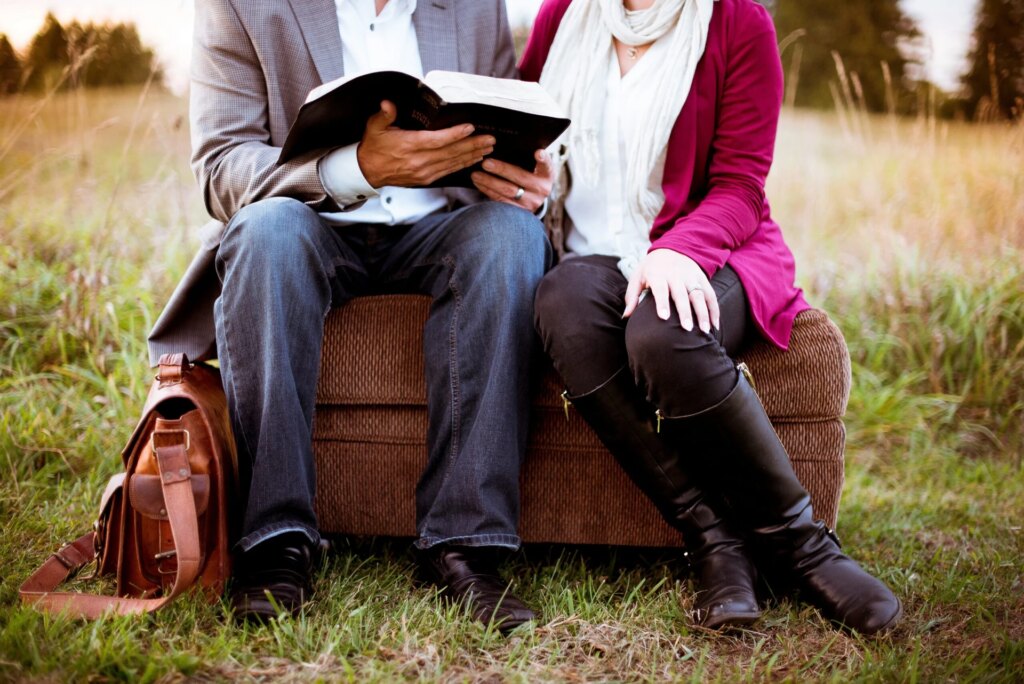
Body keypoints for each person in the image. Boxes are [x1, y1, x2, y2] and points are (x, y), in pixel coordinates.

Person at [147, 0, 555, 631]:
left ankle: (465, 545)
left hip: (440, 226)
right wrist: (357, 169)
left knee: (512, 238)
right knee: (265, 233)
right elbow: (221, 167)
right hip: (308, 221)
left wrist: (519, 175)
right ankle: (277, 542)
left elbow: (500, 131)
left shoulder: (478, 6)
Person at [521, 0, 902, 635]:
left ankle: (801, 545)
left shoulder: (737, 21)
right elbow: (522, 138)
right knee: (560, 301)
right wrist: (513, 177)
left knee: (663, 329)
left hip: (712, 249)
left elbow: (741, 183)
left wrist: (677, 251)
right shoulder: (560, 18)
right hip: (589, 258)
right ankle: (716, 541)